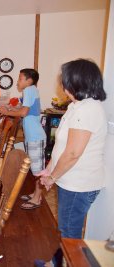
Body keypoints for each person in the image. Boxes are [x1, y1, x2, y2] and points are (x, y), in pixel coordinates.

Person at [35, 59, 107, 267]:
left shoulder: (88, 110)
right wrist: (49, 169)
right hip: (70, 180)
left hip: (79, 183)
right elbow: (61, 146)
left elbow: (73, 153)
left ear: (78, 82)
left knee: (69, 232)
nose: (63, 86)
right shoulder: (77, 106)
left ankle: (63, 263)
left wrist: (52, 177)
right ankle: (56, 262)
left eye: (65, 81)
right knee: (66, 229)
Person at [0, 68, 46, 210]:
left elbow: (24, 112)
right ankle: (35, 194)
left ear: (29, 80)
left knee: (38, 171)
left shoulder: (29, 90)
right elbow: (23, 108)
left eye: (20, 78)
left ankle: (37, 198)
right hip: (33, 136)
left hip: (35, 137)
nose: (18, 81)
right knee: (36, 168)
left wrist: (7, 111)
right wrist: (10, 108)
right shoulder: (31, 91)